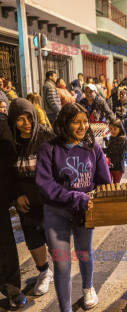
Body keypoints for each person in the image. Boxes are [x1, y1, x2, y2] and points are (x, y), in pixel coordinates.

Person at [36, 103, 111, 312]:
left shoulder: (93, 148)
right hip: (55, 213)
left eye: (85, 121)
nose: (82, 126)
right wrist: (76, 197)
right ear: (64, 123)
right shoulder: (49, 149)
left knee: (84, 252)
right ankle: (65, 309)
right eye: (76, 121)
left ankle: (88, 287)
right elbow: (45, 185)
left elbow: (104, 181)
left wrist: (100, 197)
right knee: (61, 263)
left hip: (84, 211)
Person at [8, 98, 56, 294]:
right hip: (25, 203)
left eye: (29, 117)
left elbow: (61, 167)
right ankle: (44, 273)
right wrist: (16, 196)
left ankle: (61, 270)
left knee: (54, 239)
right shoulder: (9, 142)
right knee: (33, 239)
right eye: (20, 119)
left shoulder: (47, 137)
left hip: (49, 200)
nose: (26, 123)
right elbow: (6, 173)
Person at [0, 108, 27, 310]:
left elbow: (9, 161)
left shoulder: (1, 123)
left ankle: (12, 288)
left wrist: (11, 193)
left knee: (4, 242)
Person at [103, 119, 127, 183]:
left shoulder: (122, 138)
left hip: (118, 168)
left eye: (115, 129)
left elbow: (112, 150)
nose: (112, 131)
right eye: (110, 129)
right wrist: (105, 139)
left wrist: (99, 150)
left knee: (116, 186)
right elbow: (109, 146)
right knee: (108, 184)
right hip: (110, 166)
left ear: (120, 128)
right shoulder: (112, 137)